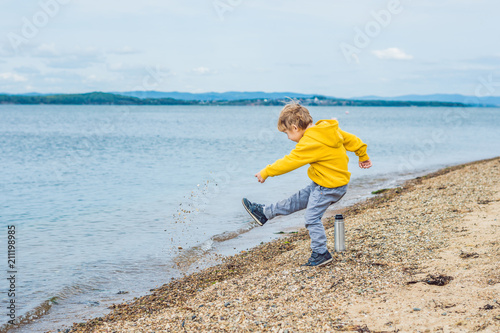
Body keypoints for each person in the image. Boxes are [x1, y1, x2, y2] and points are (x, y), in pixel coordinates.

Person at [242, 102, 372, 266]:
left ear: (295, 127)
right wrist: (363, 155)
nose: (288, 137)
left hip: (329, 186)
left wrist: (266, 172)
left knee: (311, 217)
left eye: (287, 133)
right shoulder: (327, 129)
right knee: (295, 201)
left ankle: (321, 253)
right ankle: (264, 213)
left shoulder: (309, 142)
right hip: (325, 182)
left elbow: (290, 161)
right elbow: (351, 140)